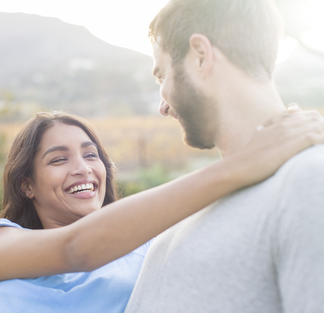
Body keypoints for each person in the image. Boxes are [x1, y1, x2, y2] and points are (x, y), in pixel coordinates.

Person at [0, 110, 324, 313]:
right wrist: (243, 163)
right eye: (59, 159)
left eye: (91, 155)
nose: (84, 168)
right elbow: (75, 250)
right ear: (27, 184)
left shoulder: (150, 250)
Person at [123, 0, 324, 312]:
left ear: (201, 56)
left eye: (162, 76)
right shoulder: (197, 199)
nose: (162, 106)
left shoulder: (309, 178)